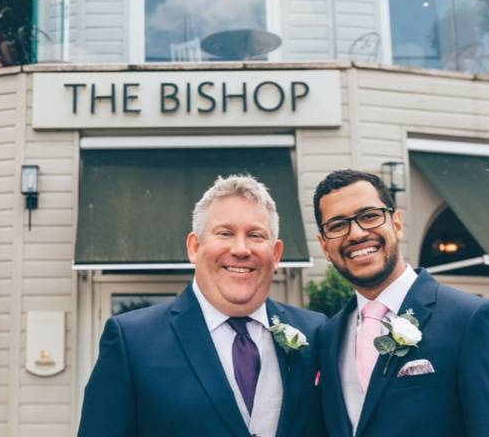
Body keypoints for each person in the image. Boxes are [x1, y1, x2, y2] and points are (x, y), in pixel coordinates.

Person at [78, 175, 327, 437]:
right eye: (225, 233)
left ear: (276, 254)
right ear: (194, 247)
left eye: (255, 235)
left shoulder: (315, 332)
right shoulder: (132, 341)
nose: (241, 249)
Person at [313, 170, 489, 437]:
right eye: (337, 225)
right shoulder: (327, 337)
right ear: (324, 246)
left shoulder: (472, 320)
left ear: (397, 223)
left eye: (369, 216)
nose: (356, 234)